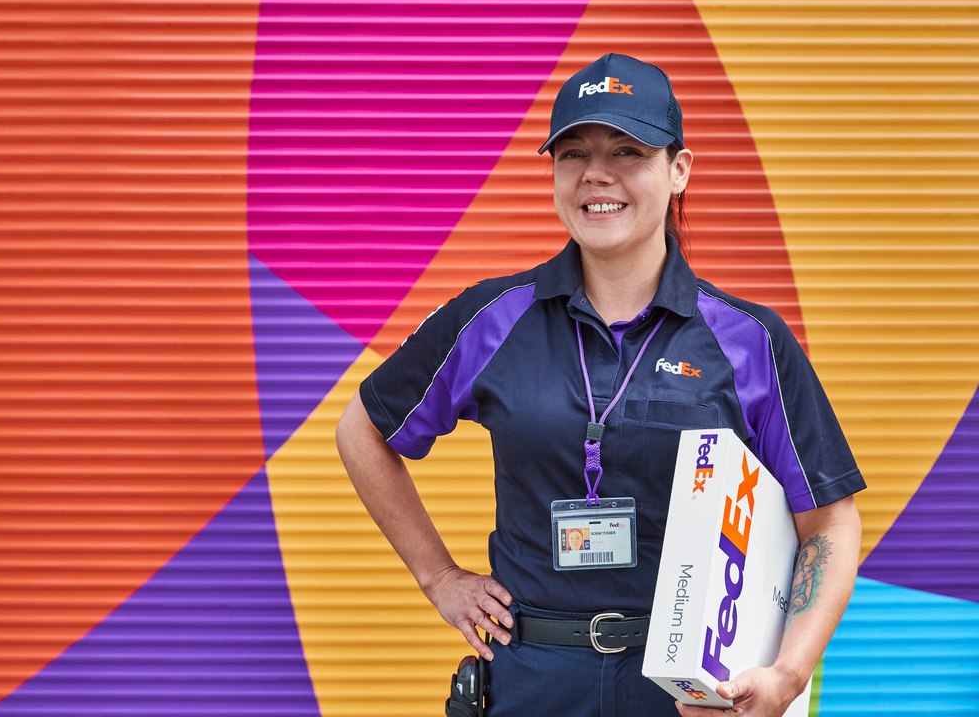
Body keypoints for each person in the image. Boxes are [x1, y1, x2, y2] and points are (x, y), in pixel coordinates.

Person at [336, 53, 865, 717]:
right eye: (573, 152)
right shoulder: (491, 317)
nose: (596, 173)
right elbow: (363, 429)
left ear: (679, 170)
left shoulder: (748, 339)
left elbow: (830, 521)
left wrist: (788, 673)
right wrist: (439, 577)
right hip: (534, 678)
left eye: (628, 149)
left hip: (689, 693)